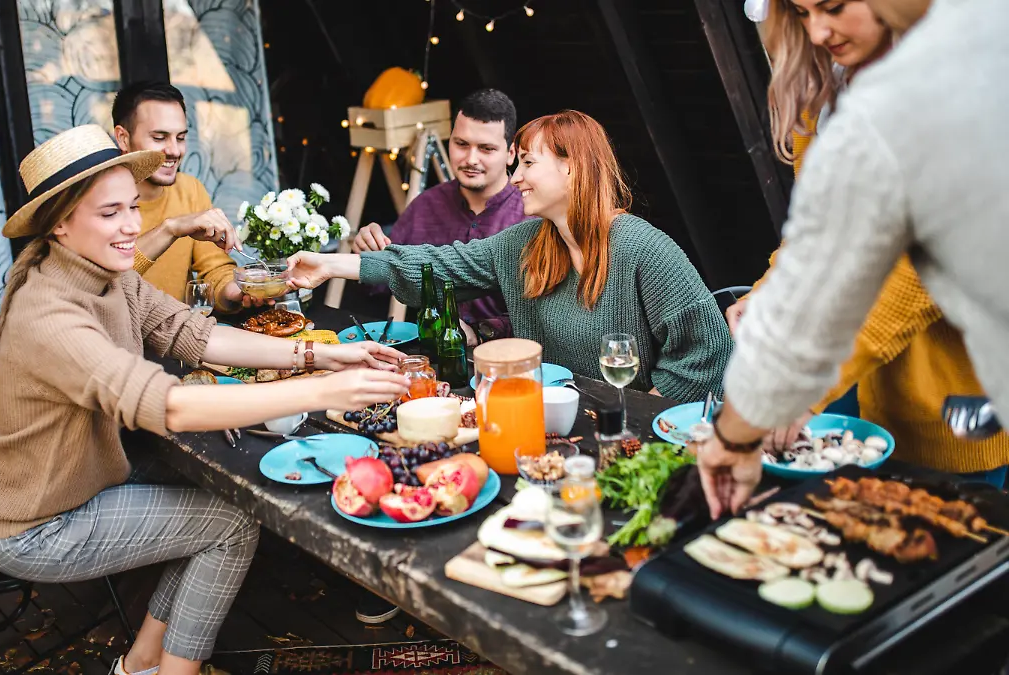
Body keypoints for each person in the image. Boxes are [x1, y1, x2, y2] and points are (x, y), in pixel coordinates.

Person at [0, 125, 409, 675]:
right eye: (110, 214)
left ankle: (144, 663)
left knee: (222, 504)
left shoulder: (105, 273)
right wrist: (324, 390)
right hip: (36, 522)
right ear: (59, 222)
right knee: (231, 523)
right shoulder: (49, 313)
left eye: (132, 207)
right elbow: (169, 405)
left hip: (83, 483)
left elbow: (191, 335)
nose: (132, 226)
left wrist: (316, 356)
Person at [696, 0, 1009, 518]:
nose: (817, 31)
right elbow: (822, 236)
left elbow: (912, 279)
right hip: (852, 393)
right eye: (800, 12)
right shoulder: (824, 94)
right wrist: (772, 289)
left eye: (833, 7)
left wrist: (795, 384)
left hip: (949, 402)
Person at [286, 110, 733, 403]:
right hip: (552, 422)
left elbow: (710, 348)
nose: (515, 178)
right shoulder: (525, 241)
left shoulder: (643, 248)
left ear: (572, 166)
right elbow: (438, 267)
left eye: (528, 164)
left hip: (625, 433)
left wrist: (643, 409)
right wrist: (330, 264)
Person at [352, 89, 523, 343]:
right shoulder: (426, 205)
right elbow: (384, 280)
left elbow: (543, 315)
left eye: (486, 149)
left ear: (511, 153)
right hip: (434, 352)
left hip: (511, 356)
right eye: (461, 144)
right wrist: (368, 247)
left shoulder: (529, 212)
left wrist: (482, 330)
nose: (470, 159)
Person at [111, 81, 264, 310]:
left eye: (180, 137)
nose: (174, 150)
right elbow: (101, 283)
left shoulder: (190, 190)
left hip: (179, 337)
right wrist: (170, 228)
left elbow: (214, 270)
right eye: (159, 137)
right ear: (123, 138)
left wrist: (239, 289)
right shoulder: (96, 200)